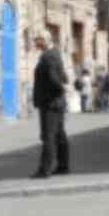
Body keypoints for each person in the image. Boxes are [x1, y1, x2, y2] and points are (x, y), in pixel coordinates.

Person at [30, 33, 70, 178]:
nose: (35, 43)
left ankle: (44, 170)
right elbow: (63, 76)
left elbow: (54, 78)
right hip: (56, 102)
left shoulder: (48, 56)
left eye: (37, 40)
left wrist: (60, 90)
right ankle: (63, 166)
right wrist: (62, 88)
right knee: (59, 135)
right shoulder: (55, 54)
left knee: (49, 136)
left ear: (46, 40)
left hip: (50, 103)